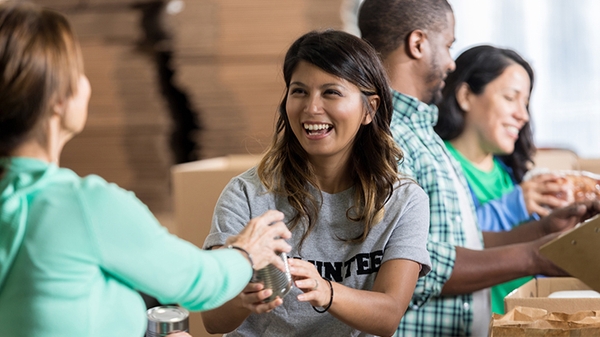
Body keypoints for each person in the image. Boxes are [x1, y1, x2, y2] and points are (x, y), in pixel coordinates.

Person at [0, 2, 292, 337]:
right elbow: (198, 283)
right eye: (78, 72)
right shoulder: (82, 205)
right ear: (57, 99)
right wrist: (245, 251)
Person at [358, 0, 600, 336]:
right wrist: (535, 256)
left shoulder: (422, 135)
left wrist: (541, 231)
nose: (450, 62)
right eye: (448, 46)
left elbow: (457, 243)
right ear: (418, 44)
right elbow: (413, 265)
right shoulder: (386, 136)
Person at [200, 29, 432, 337]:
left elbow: (389, 315)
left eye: (331, 92)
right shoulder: (247, 194)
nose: (311, 108)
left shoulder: (403, 200)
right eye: (299, 91)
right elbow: (213, 321)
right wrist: (243, 300)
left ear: (370, 108)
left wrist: (326, 291)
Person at [433, 45, 572, 314]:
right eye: (510, 98)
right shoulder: (439, 165)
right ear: (465, 96)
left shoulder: (508, 175)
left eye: (526, 102)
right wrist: (514, 205)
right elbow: (447, 246)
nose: (523, 115)